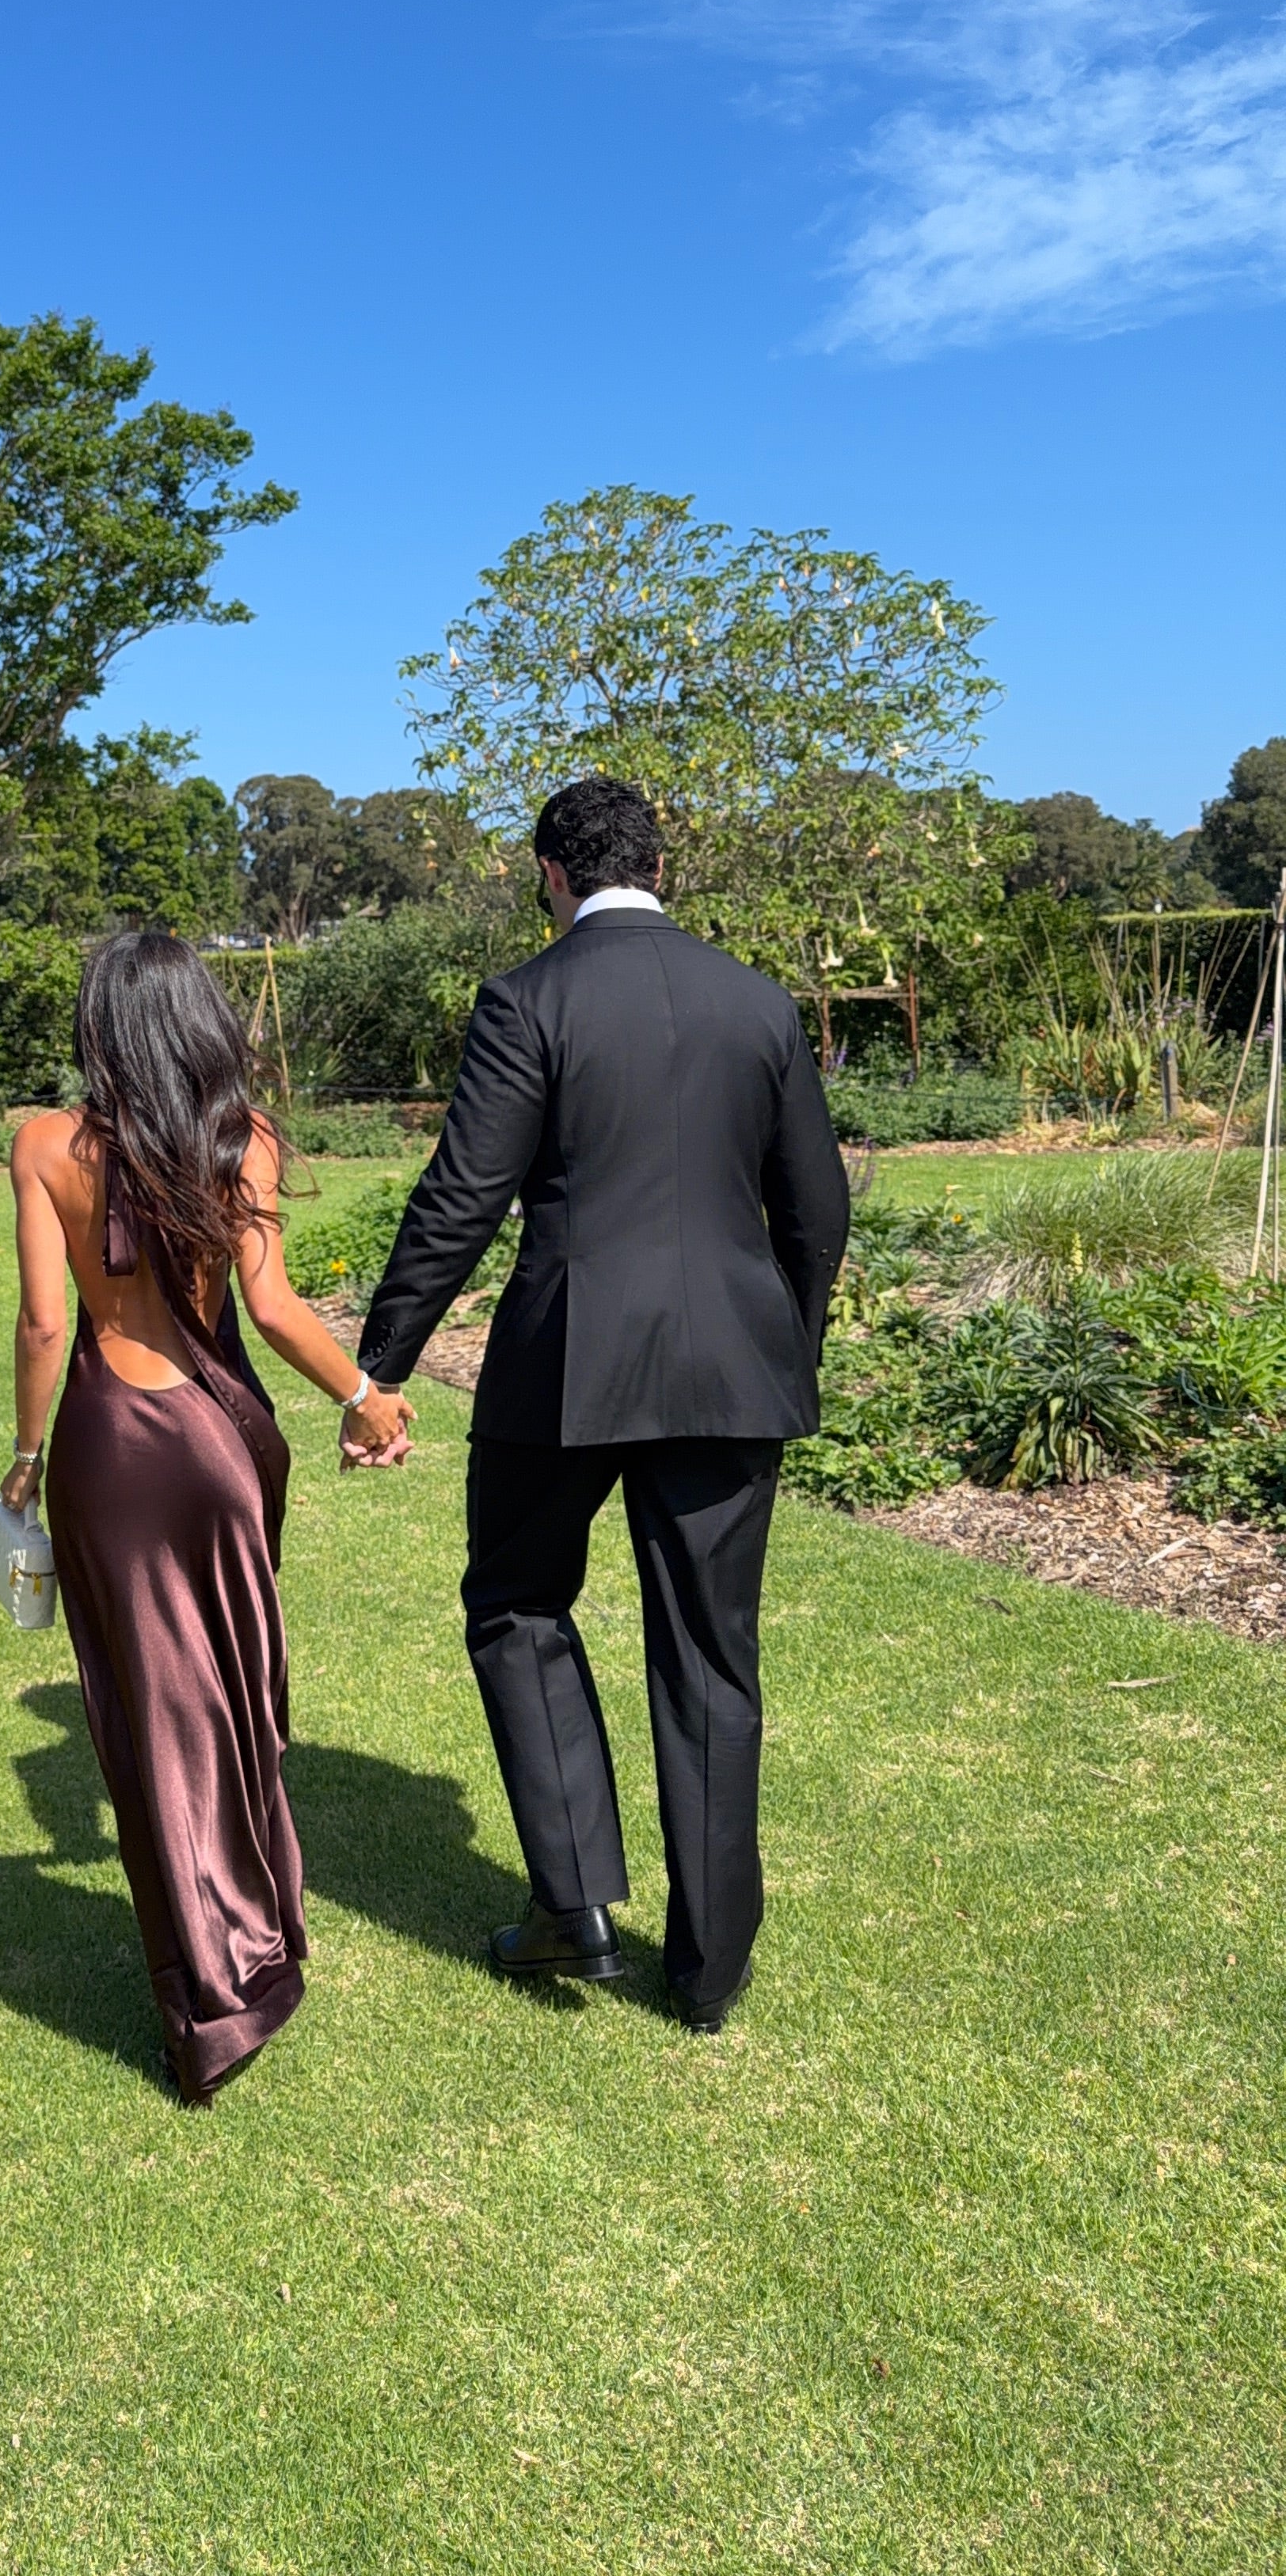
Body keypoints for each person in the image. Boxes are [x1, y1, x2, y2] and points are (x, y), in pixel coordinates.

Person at [356, 777, 849, 2033]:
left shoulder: (530, 999)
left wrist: (384, 1364)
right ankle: (711, 1974)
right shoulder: (759, 1001)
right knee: (712, 1653)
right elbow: (817, 1206)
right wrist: (785, 1347)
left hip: (565, 1366)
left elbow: (465, 1193)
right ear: (660, 863)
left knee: (517, 1603)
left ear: (550, 874)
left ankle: (573, 1909)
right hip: (734, 1370)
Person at [1, 932, 415, 2102]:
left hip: (110, 1447)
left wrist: (25, 1459)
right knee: (238, 1693)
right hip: (225, 1443)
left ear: (99, 1026)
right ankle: (260, 1930)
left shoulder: (45, 1145)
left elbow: (45, 1324)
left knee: (150, 1715)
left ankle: (209, 2000)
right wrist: (365, 1397)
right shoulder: (246, 1141)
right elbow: (270, 1306)